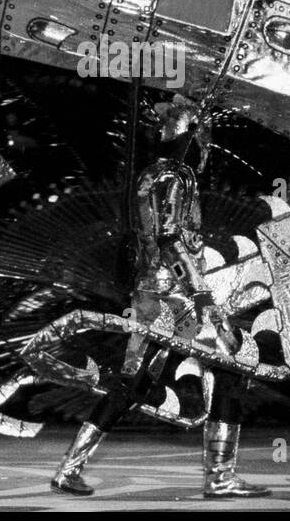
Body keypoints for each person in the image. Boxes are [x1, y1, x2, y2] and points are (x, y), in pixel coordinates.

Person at [50, 98, 269, 498]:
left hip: (150, 293)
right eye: (203, 139)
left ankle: (69, 469)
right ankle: (220, 476)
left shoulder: (149, 175)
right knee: (231, 366)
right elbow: (169, 237)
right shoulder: (177, 176)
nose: (206, 148)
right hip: (177, 297)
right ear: (192, 138)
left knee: (130, 386)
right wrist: (201, 295)